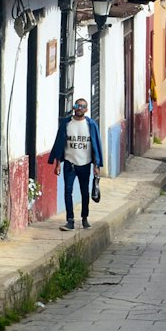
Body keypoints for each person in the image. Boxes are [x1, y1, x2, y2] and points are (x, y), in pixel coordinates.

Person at [50, 97, 103, 231]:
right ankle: (70, 220)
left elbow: (96, 145)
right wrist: (57, 163)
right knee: (68, 192)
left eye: (82, 106)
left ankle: (84, 218)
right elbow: (59, 143)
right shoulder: (66, 124)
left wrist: (96, 166)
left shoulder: (90, 125)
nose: (79, 108)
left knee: (85, 193)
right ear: (74, 107)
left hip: (85, 164)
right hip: (70, 164)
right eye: (77, 105)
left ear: (86, 109)